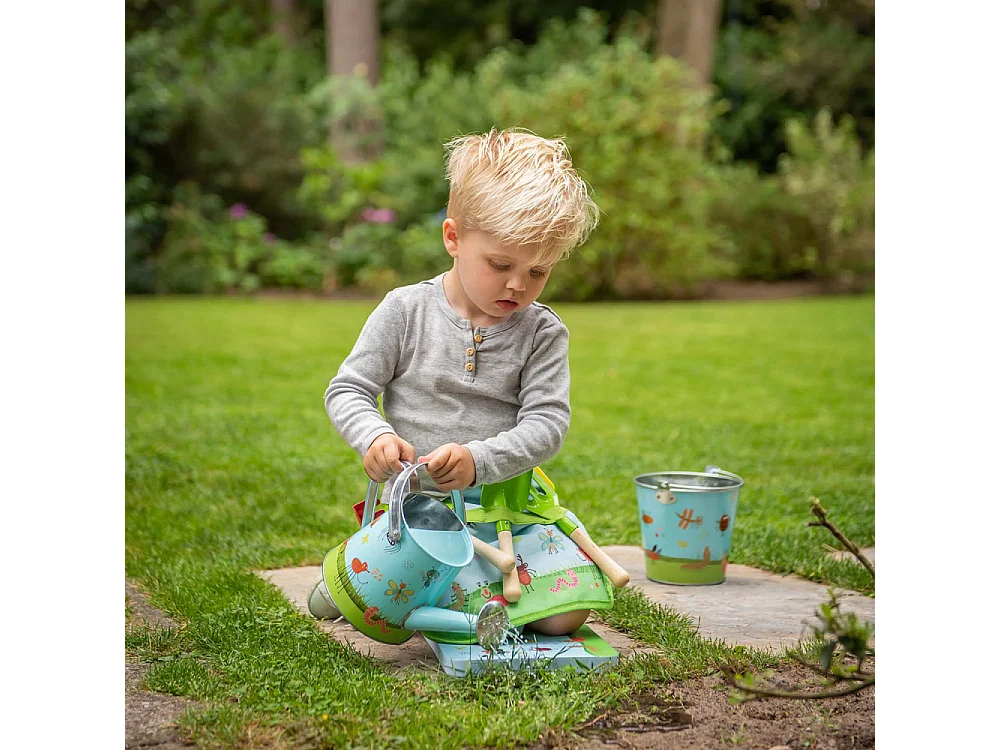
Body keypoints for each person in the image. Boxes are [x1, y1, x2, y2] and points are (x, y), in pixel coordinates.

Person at [311, 128, 611, 637]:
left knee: (565, 617)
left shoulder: (542, 332)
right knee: (389, 602)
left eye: (539, 272)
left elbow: (547, 424)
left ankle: (445, 594)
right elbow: (348, 389)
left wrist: (480, 461)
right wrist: (375, 437)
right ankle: (360, 578)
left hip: (504, 514)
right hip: (418, 514)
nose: (518, 285)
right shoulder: (404, 311)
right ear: (453, 238)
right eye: (500, 265)